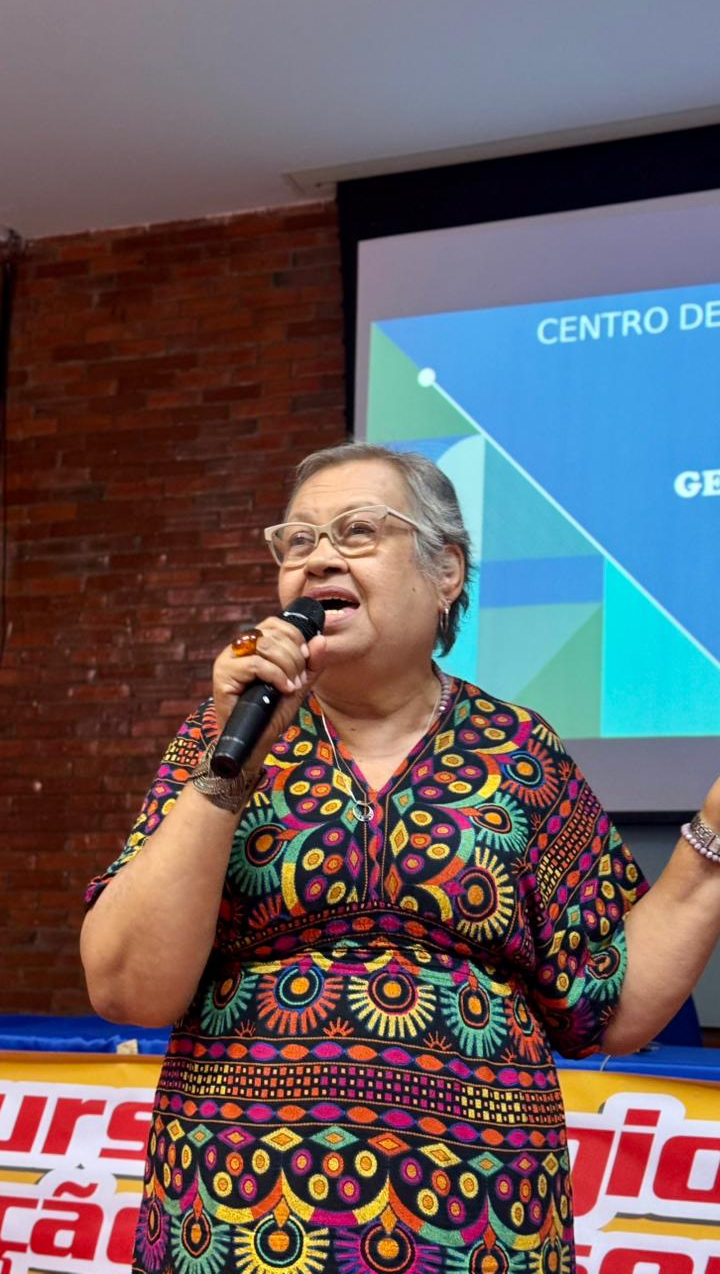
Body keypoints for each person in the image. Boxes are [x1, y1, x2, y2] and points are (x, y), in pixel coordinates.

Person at [81, 442, 720, 1274]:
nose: (317, 560)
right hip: (234, 1220)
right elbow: (128, 989)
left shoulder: (519, 751)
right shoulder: (221, 736)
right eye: (297, 540)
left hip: (483, 1227)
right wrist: (226, 776)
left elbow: (610, 1005)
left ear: (445, 570)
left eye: (356, 531)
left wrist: (711, 844)